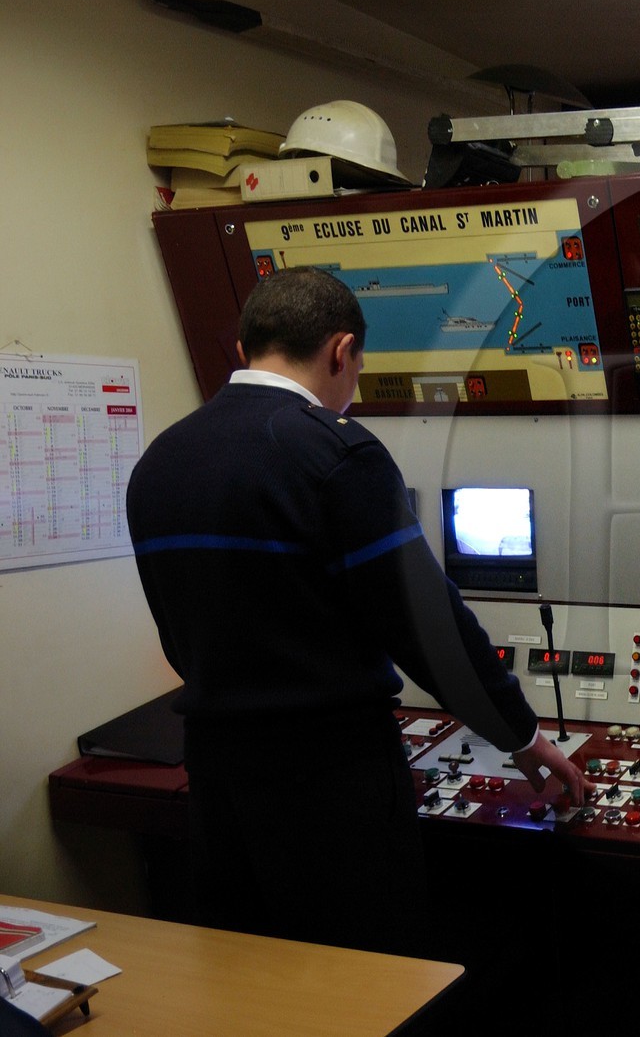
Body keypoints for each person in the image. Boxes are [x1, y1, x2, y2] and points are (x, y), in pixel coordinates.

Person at [126, 266, 589, 957]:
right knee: (365, 984)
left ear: (244, 348)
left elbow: (179, 625)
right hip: (329, 781)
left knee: (253, 980)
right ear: (342, 351)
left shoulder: (159, 461)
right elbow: (426, 625)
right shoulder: (335, 452)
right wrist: (518, 733)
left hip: (217, 778)